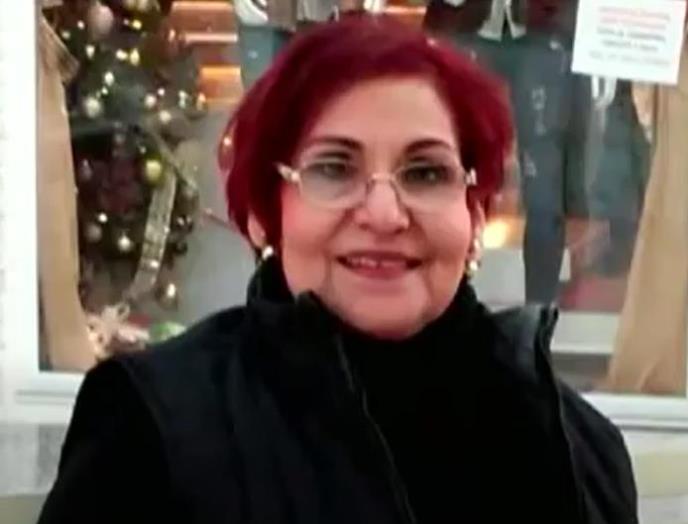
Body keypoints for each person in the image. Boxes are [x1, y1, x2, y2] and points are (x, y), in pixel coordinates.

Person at [38, 15, 637, 524]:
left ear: (475, 212)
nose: (384, 214)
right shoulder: (152, 425)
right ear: (266, 215)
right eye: (333, 169)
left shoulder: (576, 447)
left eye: (426, 173)